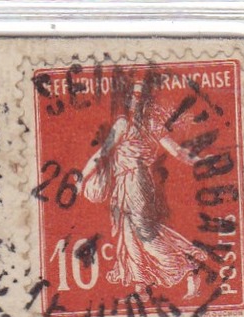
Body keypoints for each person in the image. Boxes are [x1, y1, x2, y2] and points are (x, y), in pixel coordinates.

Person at [78, 78, 206, 300]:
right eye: (133, 98)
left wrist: (202, 161)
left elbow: (176, 151)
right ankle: (141, 288)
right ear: (129, 102)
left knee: (144, 232)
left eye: (141, 98)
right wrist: (82, 176)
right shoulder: (122, 125)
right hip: (122, 184)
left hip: (137, 182)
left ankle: (188, 268)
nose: (137, 102)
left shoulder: (152, 125)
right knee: (128, 234)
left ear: (146, 102)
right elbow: (102, 153)